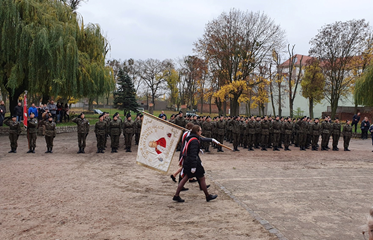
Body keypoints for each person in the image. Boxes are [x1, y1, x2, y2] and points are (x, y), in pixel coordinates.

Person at [173, 125, 219, 202]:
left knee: (185, 178)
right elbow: (193, 154)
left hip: (188, 161)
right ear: (197, 131)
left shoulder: (192, 137)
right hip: (193, 162)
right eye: (200, 130)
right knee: (202, 178)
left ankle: (176, 195)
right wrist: (194, 167)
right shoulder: (194, 141)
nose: (201, 132)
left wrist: (212, 140)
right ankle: (207, 196)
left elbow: (202, 139)